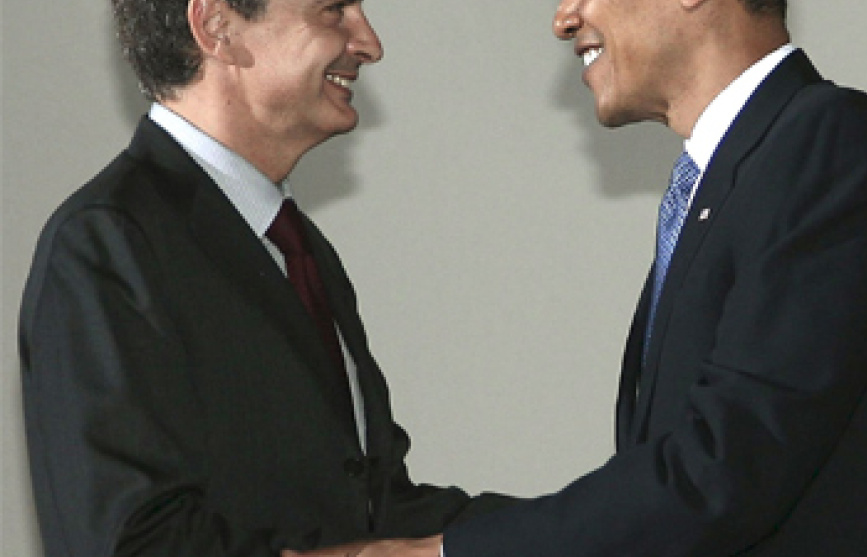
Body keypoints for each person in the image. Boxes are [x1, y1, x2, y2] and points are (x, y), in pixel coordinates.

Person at [299, 0, 867, 556]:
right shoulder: (734, 179)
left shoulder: (830, 143)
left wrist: (449, 553)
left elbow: (720, 469)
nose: (563, 18)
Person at [18, 0, 511, 556]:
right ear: (217, 27)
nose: (369, 44)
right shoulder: (106, 243)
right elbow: (133, 543)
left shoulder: (295, 247)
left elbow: (377, 513)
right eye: (333, 10)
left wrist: (579, 523)